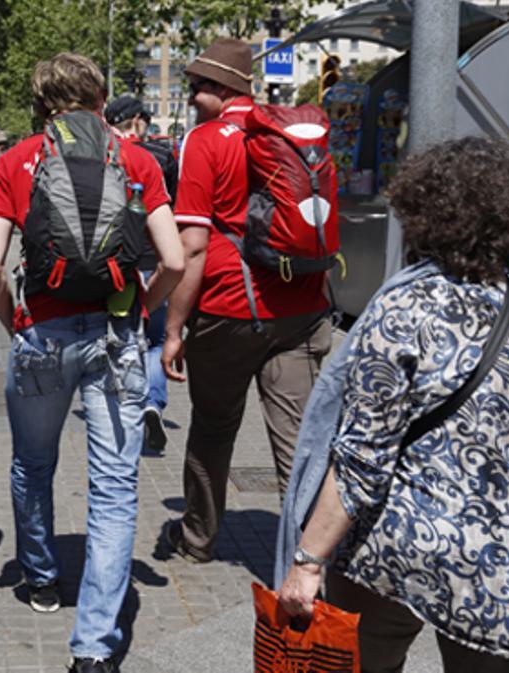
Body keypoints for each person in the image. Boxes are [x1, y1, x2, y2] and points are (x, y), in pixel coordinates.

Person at [278, 136, 509, 672]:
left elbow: (362, 459)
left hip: (397, 551)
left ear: (423, 212)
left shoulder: (403, 306)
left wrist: (307, 561)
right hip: (503, 572)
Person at [0, 52, 184, 673]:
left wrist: (13, 317)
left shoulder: (16, 161)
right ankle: (94, 646)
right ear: (100, 97)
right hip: (115, 337)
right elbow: (173, 261)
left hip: (40, 330)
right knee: (116, 490)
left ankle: (40, 577)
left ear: (41, 102)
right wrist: (137, 311)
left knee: (33, 463)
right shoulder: (139, 159)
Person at [161, 38, 332, 563]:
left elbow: (191, 245)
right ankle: (307, 559)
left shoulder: (205, 140)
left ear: (220, 88)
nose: (190, 98)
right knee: (300, 441)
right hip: (303, 307)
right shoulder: (294, 134)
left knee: (213, 427)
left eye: (196, 88)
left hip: (229, 309)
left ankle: (197, 540)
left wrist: (172, 328)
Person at [105, 94, 178, 454]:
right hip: (157, 259)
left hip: (118, 263)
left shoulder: (103, 155)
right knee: (156, 336)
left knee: (120, 335)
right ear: (137, 122)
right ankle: (153, 401)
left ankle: (126, 406)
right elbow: (173, 208)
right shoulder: (162, 157)